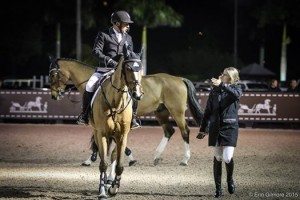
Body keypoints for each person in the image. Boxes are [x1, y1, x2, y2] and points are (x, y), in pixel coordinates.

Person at [77, 10, 141, 129]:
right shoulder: (104, 34)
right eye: (126, 23)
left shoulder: (128, 38)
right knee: (89, 86)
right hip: (104, 69)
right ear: (117, 23)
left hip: (122, 72)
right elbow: (96, 52)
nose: (128, 26)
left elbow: (130, 55)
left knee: (134, 87)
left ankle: (134, 117)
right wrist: (110, 61)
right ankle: (85, 115)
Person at [196, 67, 242, 198]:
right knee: (218, 157)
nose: (221, 75)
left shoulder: (237, 88)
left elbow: (236, 95)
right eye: (222, 74)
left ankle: (230, 180)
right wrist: (203, 129)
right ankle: (218, 189)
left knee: (227, 157)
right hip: (216, 127)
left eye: (224, 74)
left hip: (230, 127)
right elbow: (208, 112)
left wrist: (222, 85)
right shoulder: (214, 91)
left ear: (231, 77)